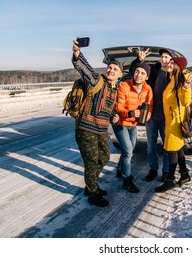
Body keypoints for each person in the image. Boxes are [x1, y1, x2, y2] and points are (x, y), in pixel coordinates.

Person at [72, 38, 122, 207]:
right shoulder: (96, 80)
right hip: (86, 128)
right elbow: (84, 68)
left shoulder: (114, 90)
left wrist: (114, 116)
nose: (111, 70)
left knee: (105, 157)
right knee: (92, 161)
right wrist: (78, 53)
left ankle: (90, 184)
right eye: (110, 67)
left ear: (120, 75)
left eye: (115, 69)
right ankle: (92, 192)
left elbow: (109, 108)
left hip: (101, 129)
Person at [130, 48, 176, 182]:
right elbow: (135, 71)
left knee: (167, 147)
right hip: (151, 117)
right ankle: (153, 170)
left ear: (171, 60)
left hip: (167, 118)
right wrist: (140, 60)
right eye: (162, 57)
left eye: (167, 57)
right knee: (151, 147)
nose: (163, 59)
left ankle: (166, 172)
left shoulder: (174, 74)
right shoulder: (154, 70)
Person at [112, 62, 153, 193]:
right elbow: (118, 107)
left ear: (147, 77)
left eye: (142, 73)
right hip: (120, 123)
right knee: (128, 151)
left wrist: (148, 115)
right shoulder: (124, 86)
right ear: (133, 73)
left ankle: (120, 170)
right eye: (137, 71)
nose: (139, 75)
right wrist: (130, 113)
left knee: (129, 148)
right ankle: (127, 180)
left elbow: (150, 106)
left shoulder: (148, 89)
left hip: (133, 124)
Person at [155, 56, 192, 193]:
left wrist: (186, 88)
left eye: (172, 62)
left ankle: (169, 180)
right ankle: (184, 174)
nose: (169, 64)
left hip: (175, 122)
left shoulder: (181, 80)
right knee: (178, 149)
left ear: (178, 66)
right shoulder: (171, 79)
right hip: (171, 120)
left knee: (171, 150)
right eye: (169, 62)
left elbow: (185, 101)